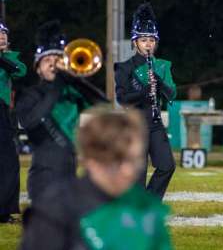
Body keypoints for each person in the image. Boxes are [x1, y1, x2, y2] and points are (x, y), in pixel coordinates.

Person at [20, 107, 173, 250]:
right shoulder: (55, 210)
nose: (128, 170)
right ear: (92, 161)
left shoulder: (147, 209)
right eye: (118, 160)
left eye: (134, 160)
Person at [16, 21, 101, 203]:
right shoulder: (31, 95)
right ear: (37, 68)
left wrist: (76, 80)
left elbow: (103, 105)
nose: (53, 64)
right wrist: (57, 86)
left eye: (57, 60)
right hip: (43, 178)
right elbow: (29, 122)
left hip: (70, 175)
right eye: (47, 60)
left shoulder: (71, 92)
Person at [115, 2, 177, 199]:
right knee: (138, 176)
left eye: (151, 40)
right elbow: (122, 99)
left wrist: (157, 82)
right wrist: (143, 91)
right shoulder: (124, 68)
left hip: (155, 124)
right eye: (143, 40)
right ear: (135, 42)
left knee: (167, 166)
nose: (148, 44)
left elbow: (172, 94)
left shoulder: (162, 66)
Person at [0, 20, 27, 223]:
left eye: (4, 33)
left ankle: (4, 211)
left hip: (2, 112)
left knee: (9, 161)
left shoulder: (11, 58)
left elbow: (20, 71)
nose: (2, 36)